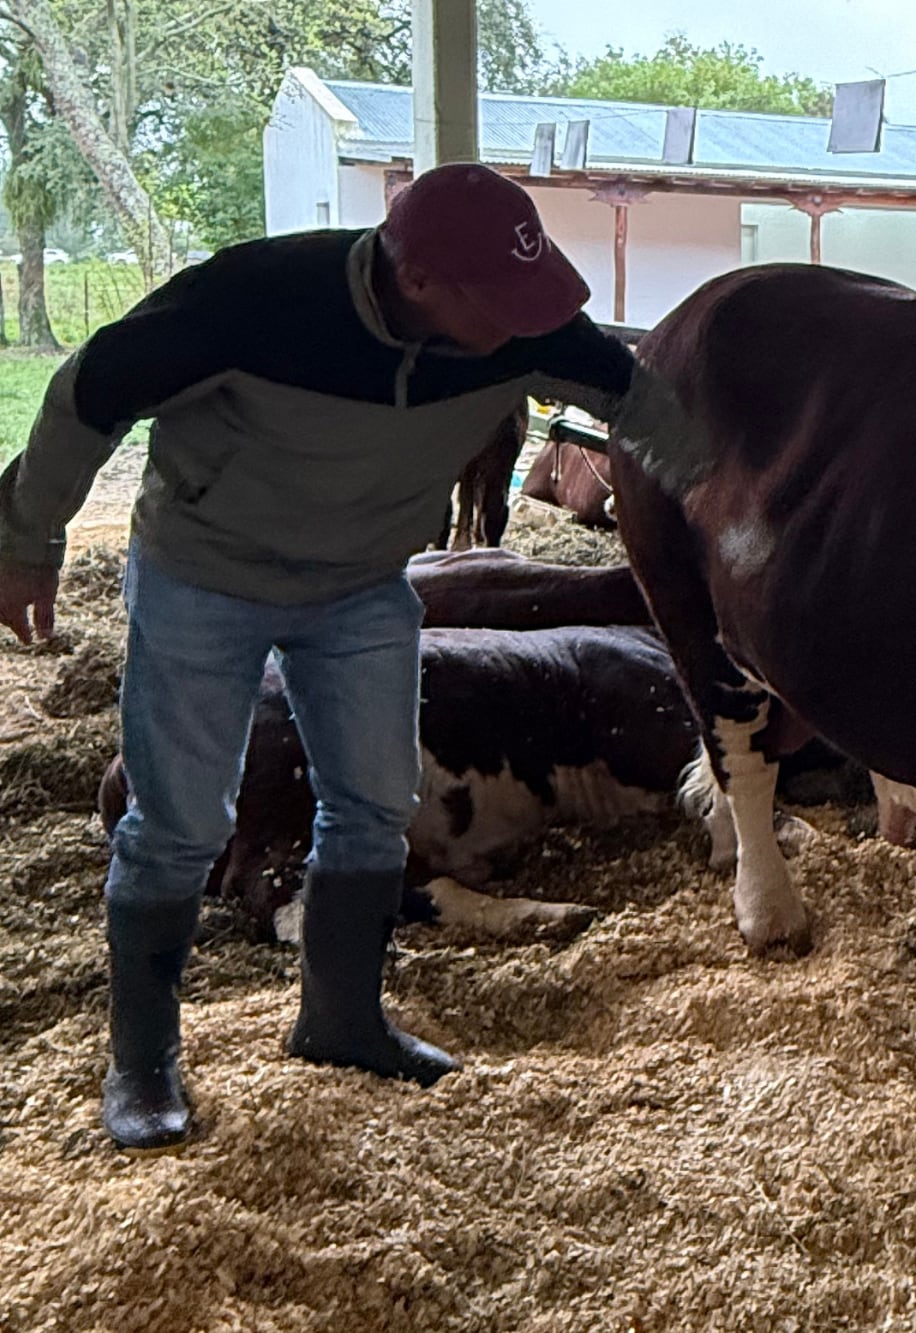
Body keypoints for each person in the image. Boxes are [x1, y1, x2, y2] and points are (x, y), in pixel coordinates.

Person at [0, 163, 639, 1152]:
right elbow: (90, 392)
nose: (528, 325)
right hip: (204, 578)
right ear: (418, 278)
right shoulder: (246, 301)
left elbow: (650, 405)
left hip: (361, 587)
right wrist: (27, 537)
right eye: (502, 302)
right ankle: (143, 1064)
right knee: (177, 819)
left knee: (374, 800)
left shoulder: (524, 323)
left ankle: (340, 1020)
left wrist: (753, 491)